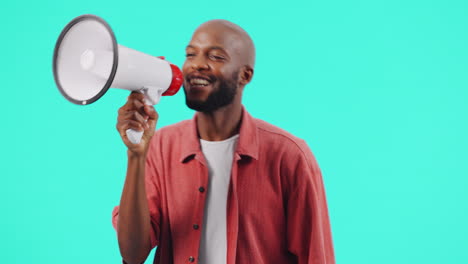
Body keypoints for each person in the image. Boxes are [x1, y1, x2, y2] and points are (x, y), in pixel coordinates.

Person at [112, 19, 335, 264]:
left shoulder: (289, 156)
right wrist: (136, 154)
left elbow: (315, 255)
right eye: (190, 54)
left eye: (216, 57)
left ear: (245, 75)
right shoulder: (160, 146)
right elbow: (133, 254)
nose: (197, 65)